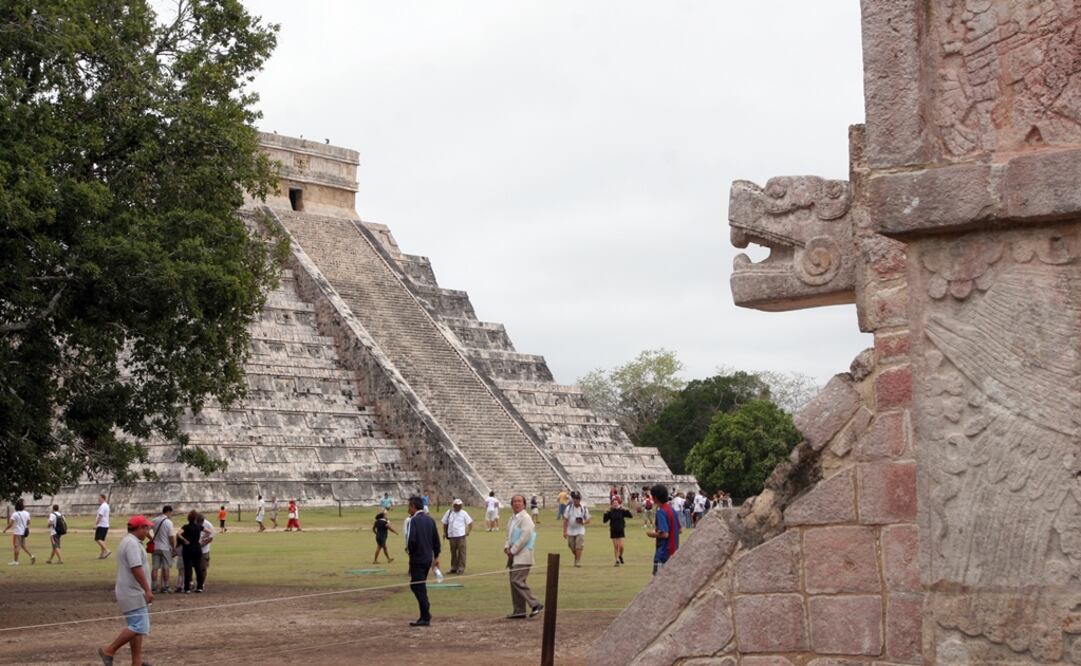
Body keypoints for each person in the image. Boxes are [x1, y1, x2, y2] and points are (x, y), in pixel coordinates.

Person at [98, 515, 153, 666]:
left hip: (131, 591)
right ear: (139, 528)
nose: (148, 531)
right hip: (132, 591)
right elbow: (136, 568)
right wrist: (147, 590)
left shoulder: (130, 542)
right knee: (140, 626)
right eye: (146, 528)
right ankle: (109, 650)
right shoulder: (131, 544)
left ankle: (136, 662)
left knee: (136, 628)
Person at [504, 494, 543, 619]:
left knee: (516, 580)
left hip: (523, 556)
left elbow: (525, 536)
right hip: (513, 556)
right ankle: (519, 611)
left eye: (519, 501)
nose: (517, 503)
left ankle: (535, 603)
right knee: (514, 583)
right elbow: (508, 536)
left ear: (524, 504)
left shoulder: (526, 518)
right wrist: (507, 547)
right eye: (514, 501)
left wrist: (513, 550)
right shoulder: (512, 519)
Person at [404, 496, 440, 627]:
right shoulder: (430, 520)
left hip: (417, 558)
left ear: (413, 507)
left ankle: (425, 615)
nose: (408, 509)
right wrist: (436, 556)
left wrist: (410, 552)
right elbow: (436, 540)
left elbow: (410, 540)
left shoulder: (413, 521)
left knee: (417, 586)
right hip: (427, 558)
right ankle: (424, 614)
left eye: (409, 506)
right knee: (419, 585)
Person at [646, 484, 680, 575]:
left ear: (655, 498)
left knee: (658, 580)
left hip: (663, 553)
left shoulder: (661, 512)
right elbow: (679, 530)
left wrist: (652, 534)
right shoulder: (672, 510)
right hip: (674, 552)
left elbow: (665, 534)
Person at [440, 499, 473, 574]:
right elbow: (445, 523)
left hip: (461, 535)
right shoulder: (449, 512)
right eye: (458, 505)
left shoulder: (464, 513)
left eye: (460, 505)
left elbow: (470, 523)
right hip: (452, 536)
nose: (459, 506)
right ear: (454, 505)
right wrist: (445, 532)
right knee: (453, 552)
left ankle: (461, 568)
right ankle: (454, 567)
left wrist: (468, 531)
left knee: (462, 552)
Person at [177, 510, 205, 593]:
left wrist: (184, 540)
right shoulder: (199, 527)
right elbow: (209, 532)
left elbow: (178, 534)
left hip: (188, 548)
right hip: (197, 547)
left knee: (188, 568)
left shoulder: (185, 527)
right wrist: (202, 539)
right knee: (198, 567)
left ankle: (187, 588)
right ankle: (200, 587)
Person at [149, 506, 176, 592]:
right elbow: (171, 537)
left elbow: (146, 530)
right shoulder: (168, 522)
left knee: (155, 567)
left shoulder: (154, 520)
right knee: (166, 567)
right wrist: (173, 547)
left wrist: (151, 538)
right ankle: (165, 586)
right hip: (165, 547)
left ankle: (153, 586)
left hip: (156, 546)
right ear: (168, 512)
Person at [562, 490, 590, 567]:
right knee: (571, 545)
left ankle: (577, 561)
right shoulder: (569, 508)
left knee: (579, 545)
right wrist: (564, 531)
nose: (575, 500)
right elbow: (565, 520)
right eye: (574, 498)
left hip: (580, 530)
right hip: (570, 530)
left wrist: (583, 522)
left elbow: (588, 520)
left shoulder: (583, 508)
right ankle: (577, 557)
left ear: (580, 499)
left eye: (577, 498)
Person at [603, 497, 633, 566]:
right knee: (616, 546)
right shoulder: (610, 512)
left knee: (621, 546)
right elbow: (604, 521)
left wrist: (626, 510)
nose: (615, 504)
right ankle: (617, 560)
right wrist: (605, 513)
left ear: (619, 503)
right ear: (611, 504)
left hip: (621, 529)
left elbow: (630, 516)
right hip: (613, 530)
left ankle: (620, 556)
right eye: (614, 503)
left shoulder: (621, 511)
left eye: (616, 503)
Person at [3, 498, 34, 565]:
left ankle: (15, 561)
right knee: (23, 546)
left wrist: (5, 529)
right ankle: (31, 555)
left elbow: (11, 524)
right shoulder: (26, 513)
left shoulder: (15, 514)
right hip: (24, 532)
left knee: (16, 546)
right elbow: (28, 522)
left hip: (17, 532)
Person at [198, 514, 215, 591]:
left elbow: (211, 537)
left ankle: (202, 584)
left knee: (203, 568)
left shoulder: (208, 525)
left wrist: (202, 544)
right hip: (194, 550)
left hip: (204, 550)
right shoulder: (194, 523)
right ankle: (191, 583)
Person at [95, 494, 112, 559]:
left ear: (103, 498)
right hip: (105, 525)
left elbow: (100, 516)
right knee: (102, 539)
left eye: (99, 498)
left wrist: (96, 524)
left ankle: (107, 550)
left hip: (101, 525)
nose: (98, 500)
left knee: (98, 539)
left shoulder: (103, 506)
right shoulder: (106, 505)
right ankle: (102, 554)